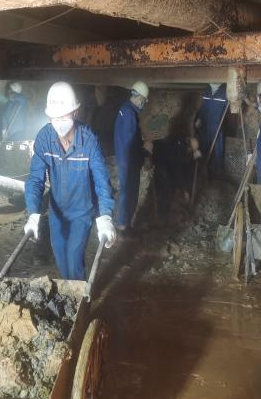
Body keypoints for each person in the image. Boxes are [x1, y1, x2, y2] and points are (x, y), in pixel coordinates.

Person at [25, 82, 116, 280]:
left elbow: (101, 179)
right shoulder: (44, 138)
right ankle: (70, 291)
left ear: (75, 112)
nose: (59, 122)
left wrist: (105, 216)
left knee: (74, 258)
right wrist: (33, 213)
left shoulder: (88, 140)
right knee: (61, 258)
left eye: (64, 116)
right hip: (57, 212)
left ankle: (79, 295)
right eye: (54, 117)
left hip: (81, 212)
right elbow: (35, 179)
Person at [114, 81, 148, 233]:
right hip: (128, 160)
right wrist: (145, 151)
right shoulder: (129, 113)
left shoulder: (126, 109)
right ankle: (123, 226)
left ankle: (124, 224)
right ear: (139, 97)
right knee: (128, 192)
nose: (144, 103)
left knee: (126, 191)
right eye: (144, 100)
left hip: (125, 158)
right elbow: (131, 142)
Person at [149, 136, 201, 217]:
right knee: (164, 187)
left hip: (166, 160)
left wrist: (194, 150)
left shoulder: (178, 141)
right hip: (163, 164)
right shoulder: (177, 147)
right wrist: (193, 155)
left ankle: (166, 210)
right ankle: (163, 213)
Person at [195, 83, 228, 174]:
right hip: (205, 124)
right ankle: (202, 169)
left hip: (217, 125)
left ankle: (217, 171)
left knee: (218, 149)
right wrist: (199, 118)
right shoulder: (207, 91)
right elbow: (202, 107)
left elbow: (231, 106)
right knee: (203, 146)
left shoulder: (224, 92)